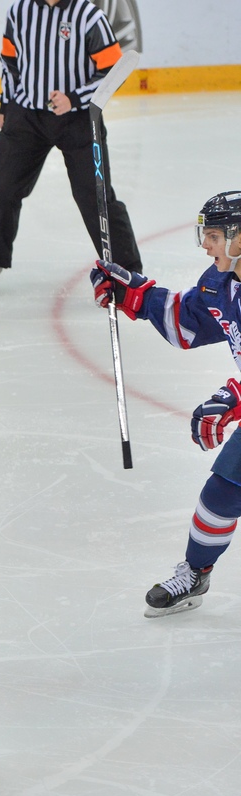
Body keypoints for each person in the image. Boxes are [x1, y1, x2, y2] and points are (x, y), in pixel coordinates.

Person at [92, 190, 241, 617]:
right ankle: (196, 573)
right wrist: (133, 295)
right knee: (222, 493)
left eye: (214, 236)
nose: (205, 245)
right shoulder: (221, 284)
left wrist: (235, 398)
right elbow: (186, 323)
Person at [0, 0, 141, 296]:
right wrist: (6, 105)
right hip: (26, 116)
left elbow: (115, 70)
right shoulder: (19, 11)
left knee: (95, 197)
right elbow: (10, 62)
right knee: (0, 190)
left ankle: (127, 272)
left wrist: (75, 98)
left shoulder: (89, 15)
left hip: (78, 119)